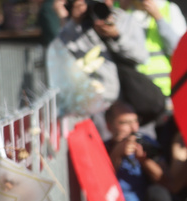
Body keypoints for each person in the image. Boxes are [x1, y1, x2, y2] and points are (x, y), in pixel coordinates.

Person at [58, 0, 149, 128]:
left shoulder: (126, 20)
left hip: (129, 100)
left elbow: (142, 57)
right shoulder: (78, 26)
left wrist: (117, 36)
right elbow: (61, 52)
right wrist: (74, 22)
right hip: (94, 104)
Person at [104, 101, 179, 201]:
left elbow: (167, 182)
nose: (133, 128)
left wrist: (144, 161)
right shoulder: (102, 148)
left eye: (135, 121)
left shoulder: (147, 143)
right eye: (124, 123)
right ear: (109, 126)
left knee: (158, 193)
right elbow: (102, 183)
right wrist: (117, 153)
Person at [119, 0, 187, 97]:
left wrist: (159, 18)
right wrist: (121, 13)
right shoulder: (123, 10)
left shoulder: (169, 8)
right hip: (134, 88)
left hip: (166, 87)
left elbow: (179, 48)